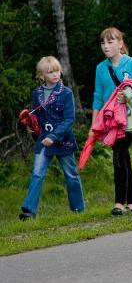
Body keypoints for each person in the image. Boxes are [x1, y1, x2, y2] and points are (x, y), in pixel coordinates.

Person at [19, 57, 84, 220]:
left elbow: (69, 119)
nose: (55, 74)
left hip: (63, 140)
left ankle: (78, 209)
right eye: (50, 72)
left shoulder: (66, 93)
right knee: (37, 173)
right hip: (43, 140)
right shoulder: (37, 94)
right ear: (42, 76)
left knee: (71, 174)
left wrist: (54, 136)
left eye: (57, 71)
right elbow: (36, 117)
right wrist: (31, 126)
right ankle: (29, 211)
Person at [92, 27, 132, 215]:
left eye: (110, 42)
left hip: (130, 118)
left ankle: (119, 202)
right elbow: (98, 96)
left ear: (120, 43)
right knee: (124, 157)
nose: (106, 46)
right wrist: (94, 124)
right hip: (111, 119)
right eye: (103, 42)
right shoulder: (100, 68)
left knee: (118, 154)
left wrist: (128, 96)